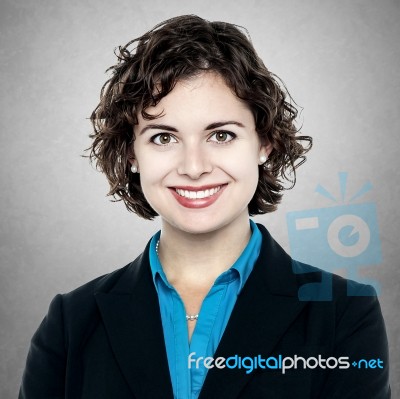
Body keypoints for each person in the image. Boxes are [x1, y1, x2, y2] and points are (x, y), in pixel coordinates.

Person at [19, 15, 390, 399]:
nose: (194, 167)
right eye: (163, 137)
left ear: (264, 143)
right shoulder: (71, 322)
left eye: (221, 135)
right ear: (132, 153)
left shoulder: (343, 314)